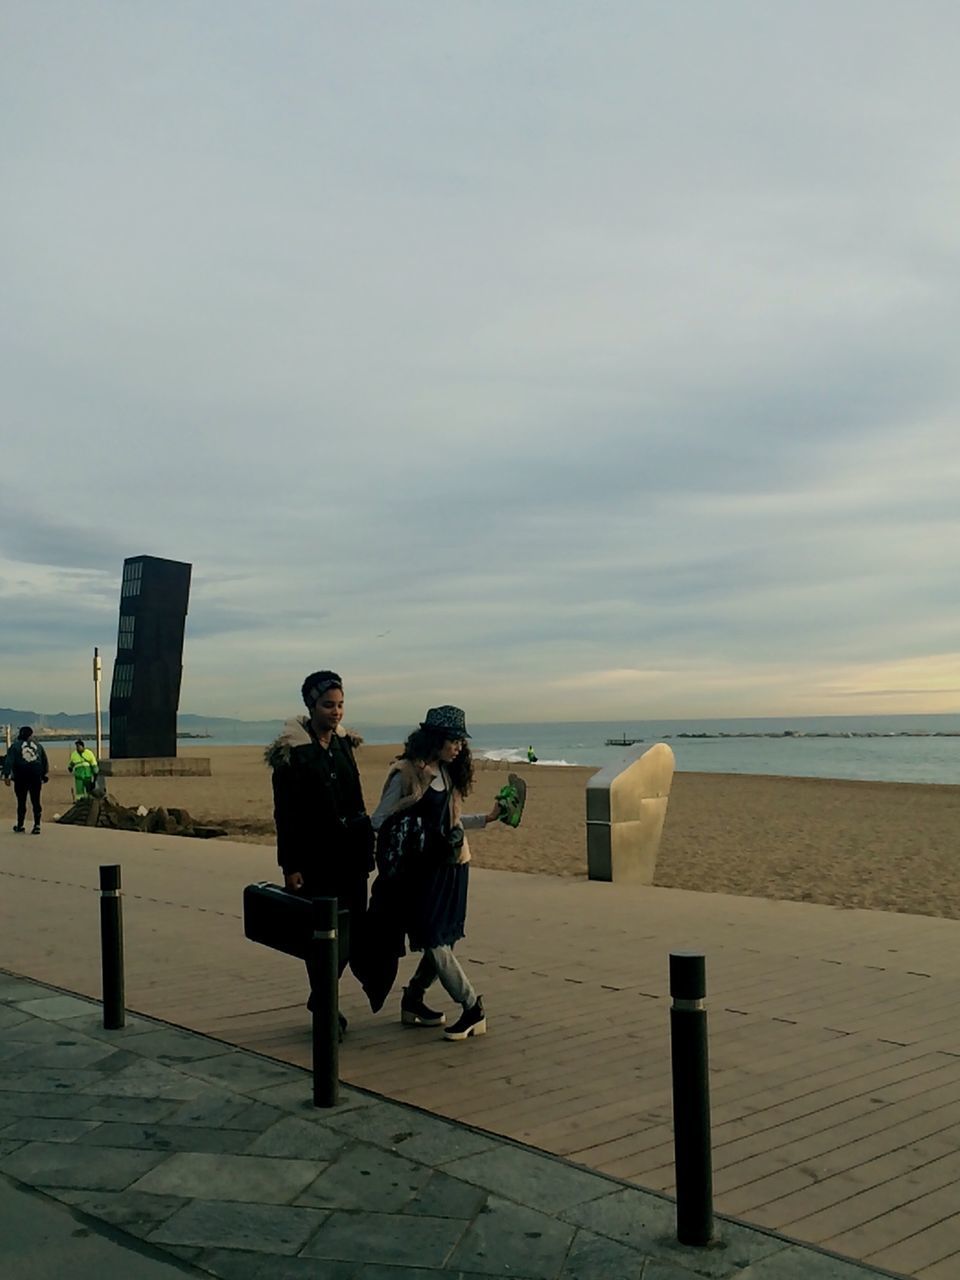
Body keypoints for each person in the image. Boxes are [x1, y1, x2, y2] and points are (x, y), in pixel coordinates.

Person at [369, 704, 508, 1042]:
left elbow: (452, 823)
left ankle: (414, 999)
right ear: (434, 739)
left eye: (461, 740)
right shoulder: (405, 773)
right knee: (432, 939)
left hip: (454, 866)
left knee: (442, 939)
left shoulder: (450, 772)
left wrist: (487, 819)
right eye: (453, 739)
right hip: (420, 872)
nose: (459, 746)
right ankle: (472, 1006)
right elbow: (379, 820)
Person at [265, 671, 374, 1029]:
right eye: (329, 705)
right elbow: (285, 813)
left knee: (354, 932)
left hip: (352, 857)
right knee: (323, 934)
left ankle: (320, 997)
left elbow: (356, 800)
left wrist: (367, 841)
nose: (337, 712)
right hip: (315, 859)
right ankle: (325, 1006)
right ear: (311, 706)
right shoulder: (292, 753)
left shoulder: (344, 745)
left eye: (341, 704)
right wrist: (290, 865)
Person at [2, 726, 49, 835]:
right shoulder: (38, 746)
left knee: (21, 801)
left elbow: (9, 762)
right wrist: (43, 775)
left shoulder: (15, 747)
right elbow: (44, 761)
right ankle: (37, 825)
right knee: (36, 801)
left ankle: (20, 825)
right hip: (35, 776)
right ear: (31, 735)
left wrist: (6, 775)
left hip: (20, 777)